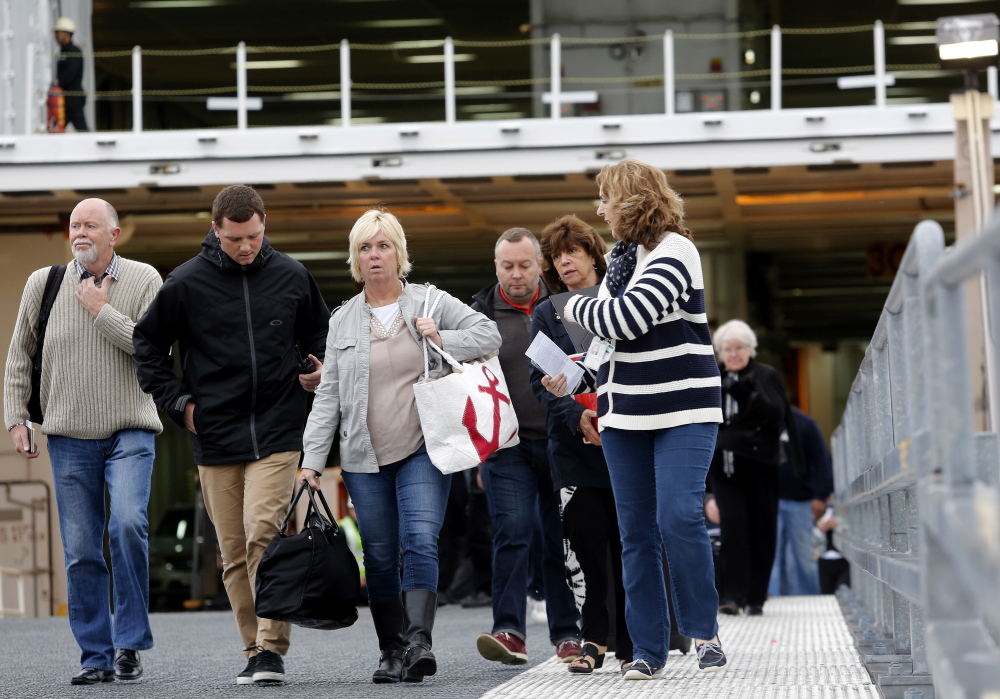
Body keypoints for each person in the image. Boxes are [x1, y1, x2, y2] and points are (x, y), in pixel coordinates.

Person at [132, 185, 330, 686]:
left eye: (255, 236)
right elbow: (147, 345)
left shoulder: (291, 274)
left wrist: (317, 368)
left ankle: (270, 648)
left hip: (280, 429)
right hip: (216, 435)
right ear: (215, 229)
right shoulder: (185, 282)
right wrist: (178, 403)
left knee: (265, 533)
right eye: (236, 238)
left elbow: (320, 335)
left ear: (265, 224)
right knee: (234, 551)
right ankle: (252, 648)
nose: (246, 247)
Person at [299, 209, 500, 684]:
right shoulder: (342, 319)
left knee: (420, 540)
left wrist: (441, 334)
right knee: (381, 553)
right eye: (366, 248)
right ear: (356, 259)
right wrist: (311, 461)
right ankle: (391, 650)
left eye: (383, 246)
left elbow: (487, 334)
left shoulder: (429, 301)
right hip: (364, 457)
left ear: (399, 254)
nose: (375, 256)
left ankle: (418, 642)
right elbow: (328, 397)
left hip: (423, 449)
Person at [544, 159, 728, 680]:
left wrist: (569, 306)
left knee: (679, 518)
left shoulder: (676, 251)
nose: (599, 209)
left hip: (685, 409)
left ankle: (704, 629)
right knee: (636, 535)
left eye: (605, 198)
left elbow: (626, 320)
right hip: (624, 414)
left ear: (629, 199)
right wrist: (576, 380)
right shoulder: (623, 259)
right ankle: (647, 650)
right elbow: (607, 350)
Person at [4, 198, 162, 685]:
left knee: (127, 525)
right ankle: (96, 656)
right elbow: (19, 355)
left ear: (114, 234)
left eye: (90, 224)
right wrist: (15, 418)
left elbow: (154, 350)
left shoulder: (146, 279)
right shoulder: (43, 283)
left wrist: (101, 310)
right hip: (68, 436)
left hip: (130, 427)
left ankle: (129, 643)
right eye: (74, 224)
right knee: (80, 550)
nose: (80, 232)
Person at [529, 214, 634, 674]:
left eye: (573, 251)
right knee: (587, 550)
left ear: (593, 253)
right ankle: (593, 640)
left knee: (631, 545)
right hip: (574, 448)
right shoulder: (546, 312)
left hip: (629, 441)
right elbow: (539, 384)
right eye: (557, 255)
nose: (565, 260)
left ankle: (635, 641)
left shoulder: (623, 301)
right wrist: (577, 414)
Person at [472, 228, 582, 666]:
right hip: (506, 445)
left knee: (559, 538)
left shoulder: (563, 309)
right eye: (507, 265)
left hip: (559, 441)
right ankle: (510, 631)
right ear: (495, 265)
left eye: (525, 265)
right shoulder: (477, 314)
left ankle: (568, 634)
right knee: (513, 533)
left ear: (541, 265)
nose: (516, 274)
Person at [709, 319, 798, 616]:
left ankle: (756, 596)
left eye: (739, 348)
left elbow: (775, 414)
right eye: (727, 349)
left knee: (763, 528)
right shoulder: (714, 377)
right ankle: (732, 595)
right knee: (733, 528)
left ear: (750, 350)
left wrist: (742, 393)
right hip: (726, 468)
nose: (733, 354)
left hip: (761, 466)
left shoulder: (765, 375)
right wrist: (707, 491)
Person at [768, 406, 832, 596]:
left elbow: (822, 460)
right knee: (771, 556)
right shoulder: (761, 420)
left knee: (803, 556)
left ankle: (809, 600)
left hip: (801, 501)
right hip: (770, 501)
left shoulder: (805, 424)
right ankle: (771, 601)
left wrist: (821, 496)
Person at [54, 17, 88, 132]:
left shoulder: (74, 51)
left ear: (66, 34)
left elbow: (69, 74)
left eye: (58, 33)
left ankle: (91, 148)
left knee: (82, 129)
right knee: (58, 130)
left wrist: (57, 83)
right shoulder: (63, 52)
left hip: (73, 99)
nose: (56, 36)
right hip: (65, 99)